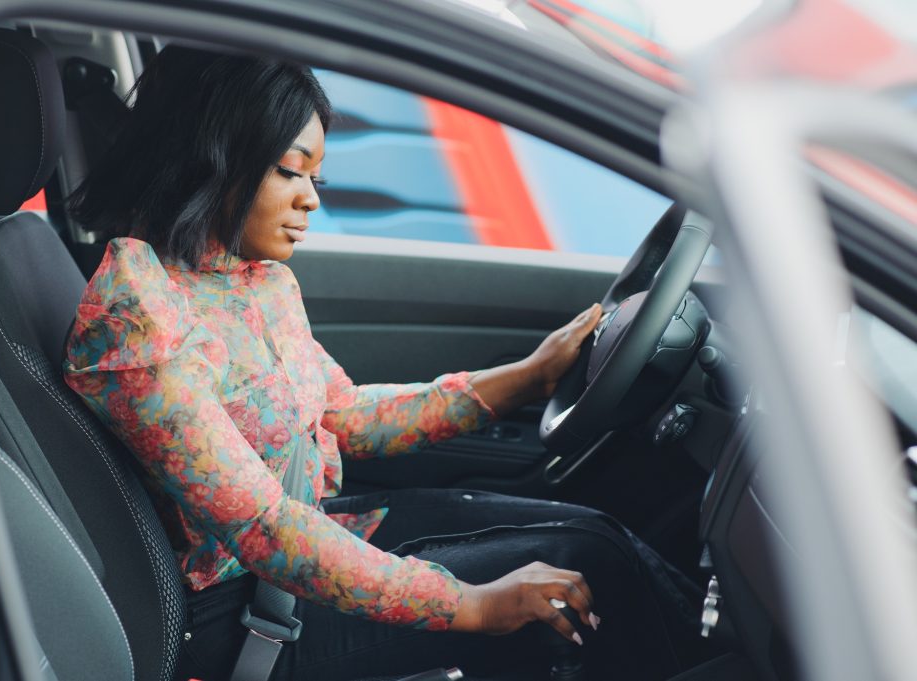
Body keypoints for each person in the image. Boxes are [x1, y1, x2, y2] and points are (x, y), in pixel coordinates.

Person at [63, 46, 711, 681]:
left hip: (309, 535)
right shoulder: (140, 318)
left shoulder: (252, 279)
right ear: (210, 157)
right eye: (289, 171)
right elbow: (264, 528)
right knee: (586, 562)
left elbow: (343, 416)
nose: (310, 200)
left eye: (315, 178)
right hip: (242, 610)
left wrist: (528, 376)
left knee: (593, 532)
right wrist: (474, 604)